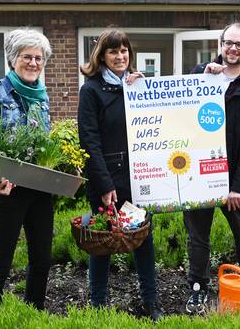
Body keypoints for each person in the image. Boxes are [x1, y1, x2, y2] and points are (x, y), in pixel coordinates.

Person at [77, 29, 163, 321]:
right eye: (113, 51)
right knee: (103, 240)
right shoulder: (91, 90)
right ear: (101, 56)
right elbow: (89, 141)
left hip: (139, 176)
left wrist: (143, 88)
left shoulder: (137, 85)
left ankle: (151, 301)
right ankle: (98, 303)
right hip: (107, 179)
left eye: (124, 50)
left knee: (143, 238)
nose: (120, 56)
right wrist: (104, 184)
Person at [183, 22, 240, 314]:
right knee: (197, 235)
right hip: (198, 175)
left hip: (233, 178)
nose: (232, 48)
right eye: (228, 42)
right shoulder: (199, 75)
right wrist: (204, 78)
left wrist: (239, 186)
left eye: (239, 45)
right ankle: (198, 288)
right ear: (220, 45)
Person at [0, 28, 54, 310]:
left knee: (42, 259)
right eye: (27, 57)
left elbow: (43, 144)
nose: (33, 63)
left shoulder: (42, 97)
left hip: (41, 188)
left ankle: (34, 314)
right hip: (7, 190)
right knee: (0, 262)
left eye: (38, 58)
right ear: (12, 58)